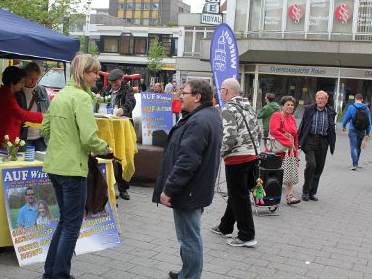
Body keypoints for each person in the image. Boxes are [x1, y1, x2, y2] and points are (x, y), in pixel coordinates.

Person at [41, 54, 110, 279]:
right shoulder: (80, 98)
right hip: (71, 168)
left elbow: (46, 130)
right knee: (71, 225)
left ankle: (51, 273)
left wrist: (66, 139)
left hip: (55, 165)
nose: (97, 77)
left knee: (65, 222)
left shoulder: (61, 96)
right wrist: (105, 148)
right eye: (94, 72)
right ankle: (59, 274)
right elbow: (89, 138)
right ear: (83, 73)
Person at [152, 79, 223, 279]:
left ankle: (190, 275)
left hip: (188, 190)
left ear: (197, 97)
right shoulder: (206, 116)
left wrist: (169, 189)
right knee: (189, 235)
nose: (180, 96)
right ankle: (188, 271)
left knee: (188, 238)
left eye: (185, 93)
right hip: (196, 188)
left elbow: (187, 161)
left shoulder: (199, 120)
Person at [212, 78, 261, 247]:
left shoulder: (229, 109)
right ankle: (225, 226)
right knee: (238, 194)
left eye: (221, 90)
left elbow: (229, 137)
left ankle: (247, 235)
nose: (220, 93)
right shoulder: (249, 107)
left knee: (239, 197)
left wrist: (219, 153)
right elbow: (259, 133)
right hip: (253, 156)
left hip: (237, 158)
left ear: (226, 91)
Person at [99, 68, 136, 200]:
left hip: (122, 129)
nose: (113, 84)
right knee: (106, 156)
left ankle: (123, 189)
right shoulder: (105, 90)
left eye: (116, 82)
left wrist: (124, 109)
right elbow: (99, 103)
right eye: (112, 82)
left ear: (122, 79)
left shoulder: (127, 89)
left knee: (122, 158)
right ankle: (106, 187)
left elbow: (131, 102)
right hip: (107, 128)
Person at [0, 66, 43, 151]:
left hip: (8, 139)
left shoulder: (7, 93)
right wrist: (42, 116)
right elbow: (21, 114)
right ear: (12, 82)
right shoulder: (6, 96)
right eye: (21, 82)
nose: (23, 85)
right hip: (4, 141)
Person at [298, 90, 336, 201]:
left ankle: (312, 192)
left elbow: (332, 128)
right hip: (310, 140)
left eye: (322, 98)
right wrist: (299, 141)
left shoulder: (330, 111)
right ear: (315, 99)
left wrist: (332, 143)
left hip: (323, 141)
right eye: (318, 98)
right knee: (311, 164)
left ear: (326, 100)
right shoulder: (309, 109)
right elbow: (303, 125)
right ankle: (305, 191)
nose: (320, 100)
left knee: (319, 168)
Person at [269, 96, 301, 205]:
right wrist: (289, 143)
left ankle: (289, 197)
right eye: (288, 104)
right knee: (274, 175)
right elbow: (274, 131)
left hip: (290, 151)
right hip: (278, 150)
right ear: (282, 106)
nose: (291, 107)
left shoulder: (292, 118)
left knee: (290, 172)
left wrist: (295, 149)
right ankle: (269, 196)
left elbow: (295, 135)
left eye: (292, 105)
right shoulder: (277, 115)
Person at [15, 62, 50, 151]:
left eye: (36, 79)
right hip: (23, 137)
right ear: (24, 76)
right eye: (30, 78)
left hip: (41, 137)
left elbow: (48, 110)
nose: (34, 82)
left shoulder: (41, 90)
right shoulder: (17, 91)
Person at [342, 93, 371, 170]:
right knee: (358, 147)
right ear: (362, 100)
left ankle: (354, 164)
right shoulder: (366, 108)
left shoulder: (351, 107)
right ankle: (356, 163)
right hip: (362, 130)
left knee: (353, 146)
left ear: (355, 99)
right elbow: (369, 122)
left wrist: (344, 125)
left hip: (353, 129)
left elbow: (346, 117)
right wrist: (368, 132)